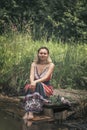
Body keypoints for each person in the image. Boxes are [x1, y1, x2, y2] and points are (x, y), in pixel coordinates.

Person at [23, 46, 55, 120]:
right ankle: (28, 111)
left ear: (47, 55)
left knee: (38, 84)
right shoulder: (34, 64)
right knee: (28, 86)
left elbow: (46, 77)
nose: (42, 55)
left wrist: (35, 82)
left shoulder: (51, 65)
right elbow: (31, 75)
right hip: (34, 85)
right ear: (38, 54)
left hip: (46, 88)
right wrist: (32, 82)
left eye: (45, 53)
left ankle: (29, 112)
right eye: (41, 53)